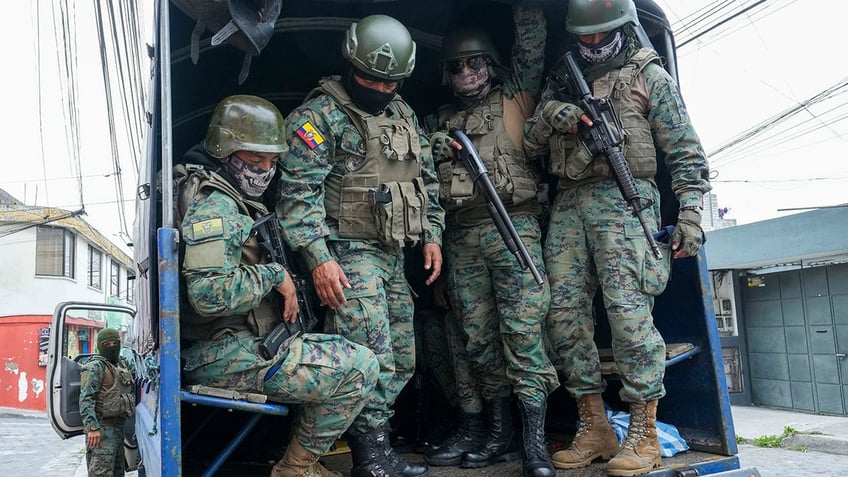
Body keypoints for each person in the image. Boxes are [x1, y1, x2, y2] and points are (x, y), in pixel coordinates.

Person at [524, 1, 712, 476]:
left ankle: (644, 433)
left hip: (627, 205)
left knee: (629, 319)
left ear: (621, 28)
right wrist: (555, 116)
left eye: (600, 36)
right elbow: (528, 140)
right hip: (569, 206)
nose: (591, 45)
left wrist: (689, 214)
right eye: (583, 38)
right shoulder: (560, 80)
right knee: (562, 317)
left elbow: (686, 153)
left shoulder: (650, 76)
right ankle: (594, 427)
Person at [176, 94, 380, 477]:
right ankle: (295, 469)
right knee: (361, 367)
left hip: (231, 346)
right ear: (225, 149)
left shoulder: (223, 194)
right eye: (255, 160)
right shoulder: (216, 205)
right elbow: (207, 294)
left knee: (339, 349)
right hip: (223, 354)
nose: (265, 170)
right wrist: (275, 276)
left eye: (271, 161)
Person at [276, 14, 444, 477]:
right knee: (371, 355)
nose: (380, 88)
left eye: (390, 82)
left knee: (404, 358)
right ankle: (371, 458)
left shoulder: (403, 114)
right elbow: (297, 197)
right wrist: (319, 260)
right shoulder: (317, 118)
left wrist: (432, 234)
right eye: (370, 78)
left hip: (392, 254)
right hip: (347, 255)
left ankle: (378, 447)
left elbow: (426, 181)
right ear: (350, 65)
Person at [425, 6, 559, 477]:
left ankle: (534, 442)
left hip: (513, 229)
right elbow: (419, 194)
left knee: (523, 335)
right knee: (478, 343)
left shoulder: (515, 99)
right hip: (461, 238)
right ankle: (499, 435)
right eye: (457, 66)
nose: (467, 73)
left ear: (491, 65)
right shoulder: (435, 124)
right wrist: (433, 151)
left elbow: (531, 44)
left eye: (476, 63)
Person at [79, 328, 135, 477]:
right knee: (100, 473)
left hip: (118, 428)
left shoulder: (120, 364)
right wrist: (92, 428)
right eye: (107, 344)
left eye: (115, 343)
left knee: (118, 473)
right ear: (99, 345)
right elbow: (86, 398)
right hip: (102, 430)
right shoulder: (95, 366)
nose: (112, 347)